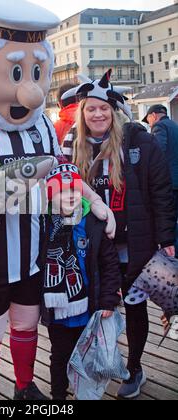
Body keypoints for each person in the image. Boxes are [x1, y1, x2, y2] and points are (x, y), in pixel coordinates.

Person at [0, 0, 115, 401]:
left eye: (36, 72)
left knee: (27, 327)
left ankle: (22, 386)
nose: (30, 88)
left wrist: (93, 204)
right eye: (18, 72)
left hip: (35, 254)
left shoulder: (42, 130)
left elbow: (62, 174)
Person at [68, 69, 176, 399]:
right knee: (95, 305)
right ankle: (95, 361)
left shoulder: (138, 139)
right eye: (91, 108)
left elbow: (160, 191)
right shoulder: (73, 146)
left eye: (104, 108)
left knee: (135, 305)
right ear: (82, 113)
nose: (98, 114)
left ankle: (135, 366)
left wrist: (168, 239)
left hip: (135, 241)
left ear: (113, 111)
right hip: (94, 244)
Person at [43, 163, 121, 400]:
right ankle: (58, 397)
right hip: (58, 310)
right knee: (60, 356)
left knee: (88, 357)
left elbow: (110, 265)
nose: (69, 196)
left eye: (74, 190)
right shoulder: (44, 225)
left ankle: (85, 395)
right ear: (50, 196)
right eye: (62, 191)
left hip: (90, 307)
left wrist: (108, 300)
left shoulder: (93, 223)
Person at [143, 104, 178, 257]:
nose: (149, 123)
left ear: (154, 116)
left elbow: (158, 153)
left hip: (169, 183)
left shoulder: (160, 127)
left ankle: (173, 257)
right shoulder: (174, 126)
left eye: (149, 119)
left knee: (169, 222)